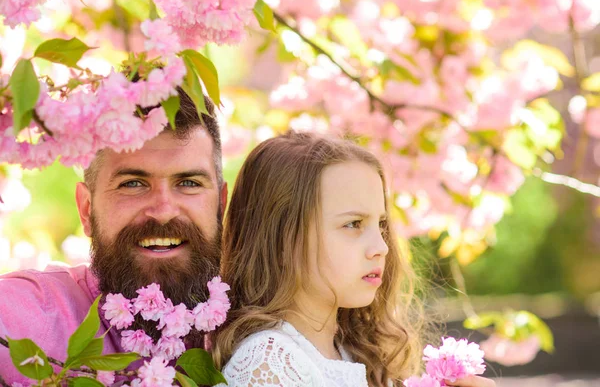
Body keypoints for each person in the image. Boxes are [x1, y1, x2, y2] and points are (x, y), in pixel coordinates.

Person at [211, 131, 495, 387]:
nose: (381, 247)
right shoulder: (269, 364)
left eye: (381, 225)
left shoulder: (351, 353)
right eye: (353, 224)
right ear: (282, 239)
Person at [0, 90, 227, 383]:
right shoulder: (24, 316)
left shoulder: (264, 332)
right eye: (132, 183)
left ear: (221, 206)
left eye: (188, 182)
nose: (163, 212)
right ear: (86, 210)